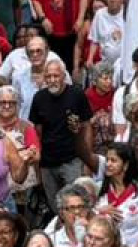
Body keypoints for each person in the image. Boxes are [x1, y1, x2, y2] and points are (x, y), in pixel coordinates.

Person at [29, 54, 95, 208]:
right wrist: (37, 167)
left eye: (56, 76)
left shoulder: (77, 94)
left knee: (76, 203)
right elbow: (36, 133)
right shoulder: (39, 98)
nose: (52, 80)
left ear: (64, 76)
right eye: (48, 76)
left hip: (72, 160)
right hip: (47, 163)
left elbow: (87, 127)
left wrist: (88, 160)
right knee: (55, 206)